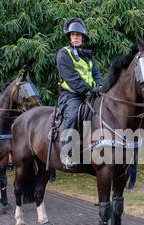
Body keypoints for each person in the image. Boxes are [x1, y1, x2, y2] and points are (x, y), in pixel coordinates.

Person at [56, 18, 104, 168]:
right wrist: (90, 89)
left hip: (89, 95)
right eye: (73, 35)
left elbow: (97, 75)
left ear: (83, 37)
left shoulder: (88, 57)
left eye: (78, 35)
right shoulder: (64, 54)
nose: (75, 37)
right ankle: (66, 153)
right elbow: (72, 78)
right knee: (73, 115)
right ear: (70, 37)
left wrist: (101, 87)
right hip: (71, 96)